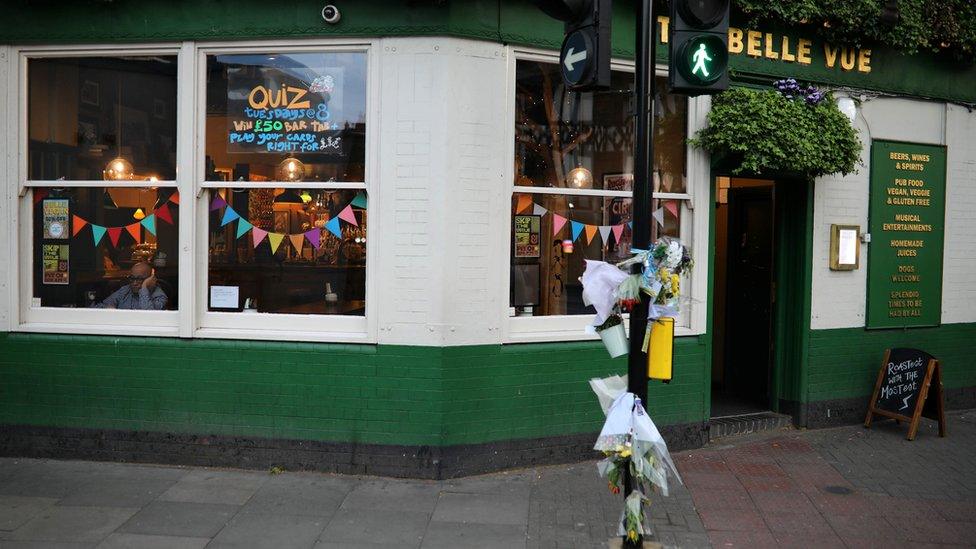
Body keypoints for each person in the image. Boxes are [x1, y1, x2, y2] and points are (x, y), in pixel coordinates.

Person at [98, 262, 167, 310]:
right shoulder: (125, 290)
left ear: (150, 279)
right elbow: (100, 306)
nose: (134, 283)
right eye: (132, 278)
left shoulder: (159, 296)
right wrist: (108, 308)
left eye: (140, 279)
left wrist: (144, 287)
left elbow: (149, 316)